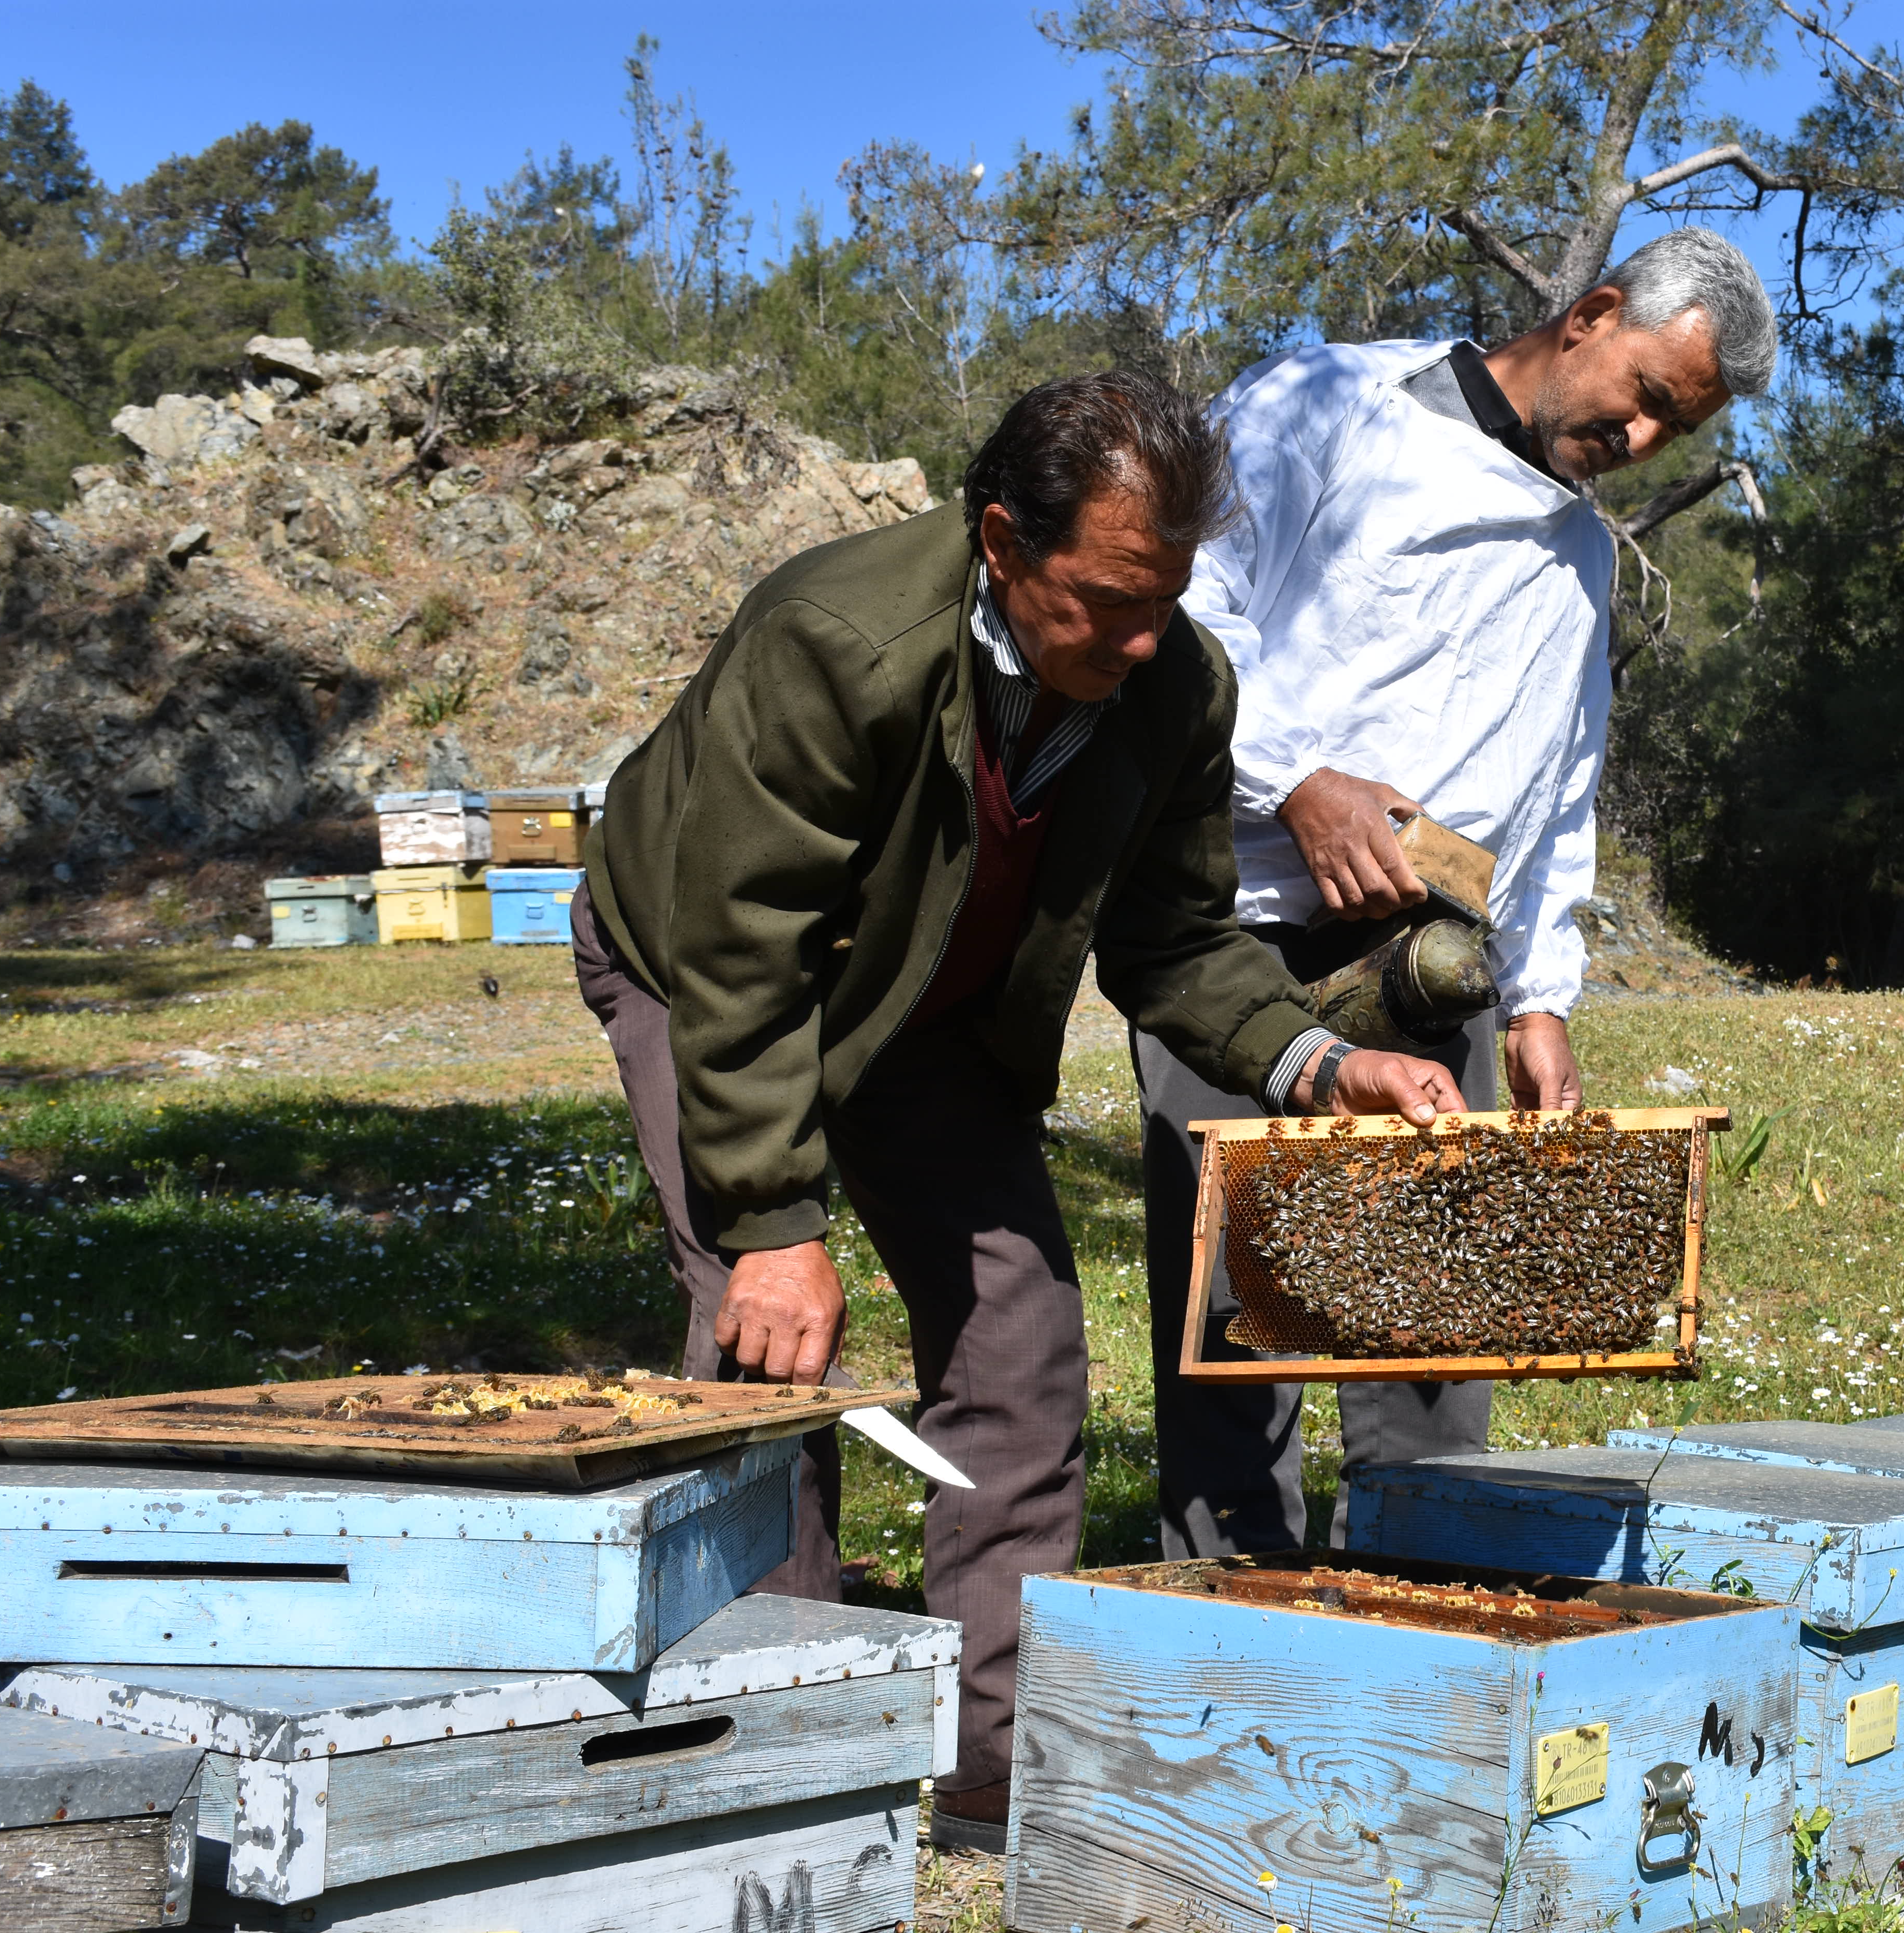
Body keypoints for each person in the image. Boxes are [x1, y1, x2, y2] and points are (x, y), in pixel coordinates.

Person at [573, 370, 1466, 1849]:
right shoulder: (836, 639)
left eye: (1165, 599)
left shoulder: (1174, 687)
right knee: (767, 1345)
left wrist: (1318, 1062)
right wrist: (779, 1224)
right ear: (1002, 542)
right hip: (704, 968)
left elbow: (1175, 943)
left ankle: (988, 1765)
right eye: (1108, 599)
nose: (1139, 637)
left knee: (1024, 1342)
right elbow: (743, 958)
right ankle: (802, 1758)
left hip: (933, 1011)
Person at [1143, 226, 1778, 1555]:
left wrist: (1543, 1000)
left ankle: (1416, 1646)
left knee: (1431, 1359)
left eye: (1682, 425)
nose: (1649, 438)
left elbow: (1557, 799)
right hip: (1242, 945)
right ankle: (1219, 1655)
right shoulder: (1327, 407)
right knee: (1234, 1340)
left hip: (1437, 974)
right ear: (1594, 315)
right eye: (1650, 394)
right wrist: (1296, 780)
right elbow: (1179, 620)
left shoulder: (1586, 560)